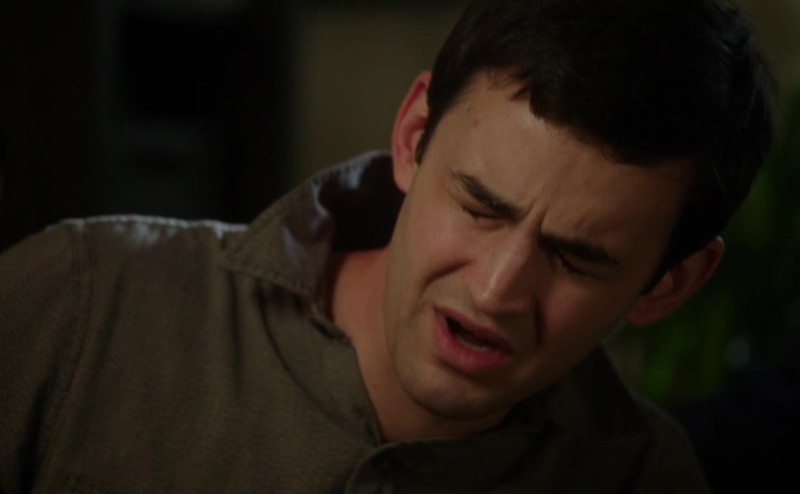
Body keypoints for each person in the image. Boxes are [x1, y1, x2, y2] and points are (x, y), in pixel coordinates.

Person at [0, 0, 776, 492]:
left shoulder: (646, 477)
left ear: (670, 283)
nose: (496, 290)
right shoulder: (82, 305)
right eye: (479, 207)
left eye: (575, 258)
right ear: (412, 136)